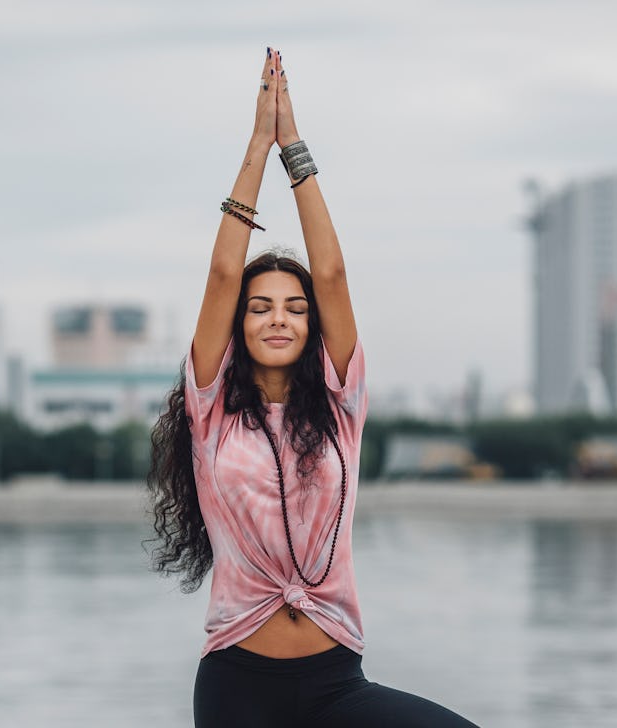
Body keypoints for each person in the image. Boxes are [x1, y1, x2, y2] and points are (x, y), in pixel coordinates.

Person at [149, 47, 480, 728]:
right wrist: (255, 147)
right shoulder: (212, 411)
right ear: (238, 325)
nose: (279, 317)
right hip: (238, 684)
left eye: (294, 309)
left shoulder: (340, 403)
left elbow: (330, 276)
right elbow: (220, 276)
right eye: (261, 306)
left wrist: (292, 145)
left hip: (337, 685)